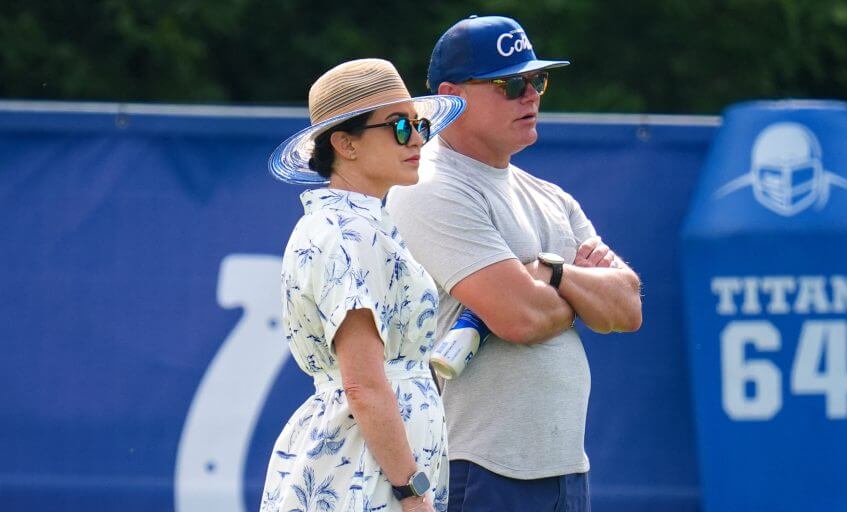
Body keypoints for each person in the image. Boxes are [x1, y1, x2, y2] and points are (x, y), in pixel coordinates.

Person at [387, 16, 643, 512]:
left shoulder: (549, 196)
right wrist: (581, 291)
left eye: (537, 81)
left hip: (565, 468)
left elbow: (628, 307)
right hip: (478, 466)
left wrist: (552, 274)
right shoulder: (431, 185)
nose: (531, 95)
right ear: (450, 94)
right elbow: (518, 317)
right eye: (511, 84)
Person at [260, 58, 466, 512]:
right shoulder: (348, 232)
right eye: (397, 126)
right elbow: (364, 386)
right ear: (345, 144)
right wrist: (410, 492)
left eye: (419, 124)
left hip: (365, 466)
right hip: (363, 474)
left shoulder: (354, 224)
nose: (416, 139)